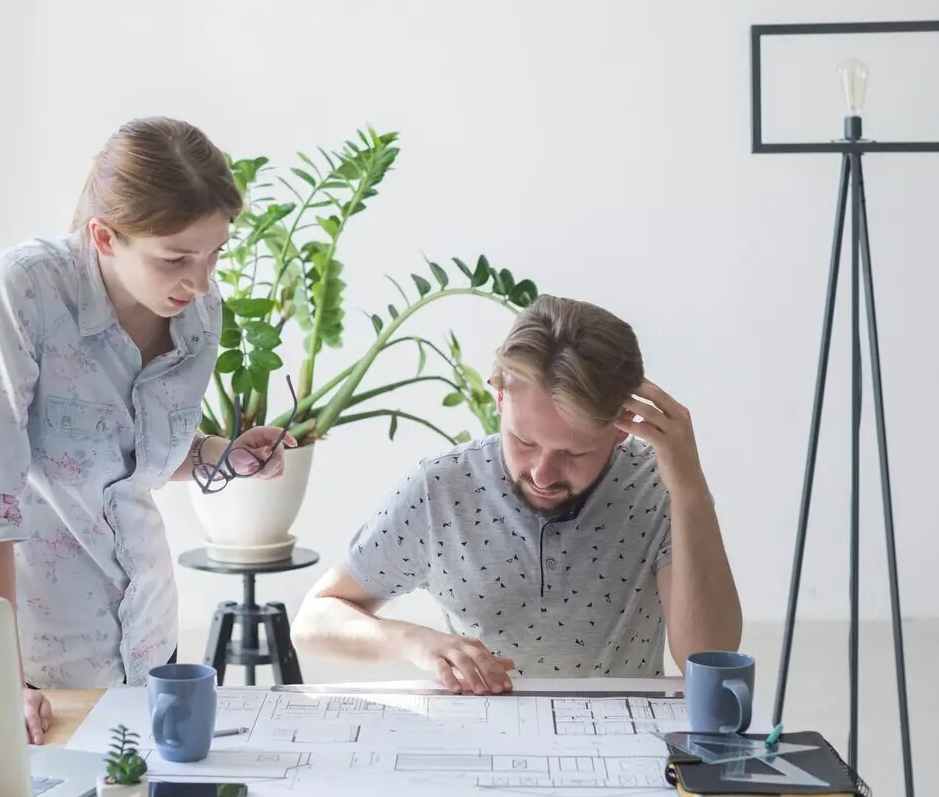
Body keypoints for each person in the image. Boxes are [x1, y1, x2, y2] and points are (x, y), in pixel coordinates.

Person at [0, 117, 293, 743]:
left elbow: (138, 458)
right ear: (105, 236)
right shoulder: (22, 291)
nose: (202, 280)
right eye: (176, 258)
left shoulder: (198, 316)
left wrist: (223, 456)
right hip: (34, 650)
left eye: (215, 253)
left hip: (149, 638)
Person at [292, 295, 740, 694]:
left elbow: (708, 660)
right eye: (524, 442)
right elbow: (316, 619)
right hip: (482, 741)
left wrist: (690, 488)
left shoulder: (658, 488)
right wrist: (414, 641)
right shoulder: (441, 490)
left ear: (623, 427)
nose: (544, 474)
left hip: (625, 744)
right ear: (500, 398)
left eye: (575, 452)